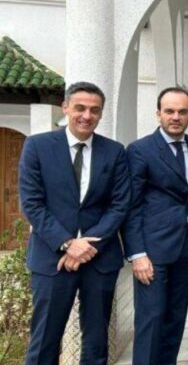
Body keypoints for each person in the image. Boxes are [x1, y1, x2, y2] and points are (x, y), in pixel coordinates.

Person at [20, 81, 131, 365]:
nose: (87, 115)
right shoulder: (37, 146)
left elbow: (119, 204)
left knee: (96, 342)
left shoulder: (115, 151)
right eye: (80, 108)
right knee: (44, 338)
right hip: (51, 257)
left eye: (95, 110)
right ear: (66, 107)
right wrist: (68, 244)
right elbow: (32, 203)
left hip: (100, 258)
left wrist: (88, 245)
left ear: (101, 114)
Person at [124, 86, 188, 365]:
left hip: (184, 248)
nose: (175, 117)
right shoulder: (140, 150)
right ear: (158, 113)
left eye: (182, 112)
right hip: (152, 253)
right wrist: (137, 254)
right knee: (151, 320)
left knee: (175, 319)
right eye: (169, 111)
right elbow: (131, 206)